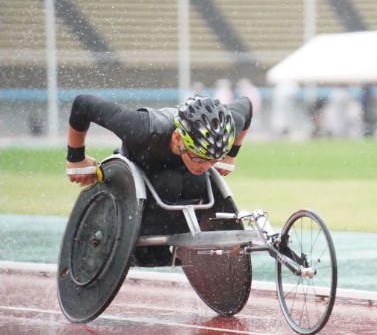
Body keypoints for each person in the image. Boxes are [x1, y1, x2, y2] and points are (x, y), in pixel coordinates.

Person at [65, 93, 252, 265]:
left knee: (201, 183)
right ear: (178, 138)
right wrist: (76, 158)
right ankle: (147, 247)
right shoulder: (139, 127)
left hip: (181, 172)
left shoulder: (227, 125)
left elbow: (247, 106)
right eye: (200, 158)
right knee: (169, 184)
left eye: (213, 160)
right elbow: (83, 104)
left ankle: (182, 237)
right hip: (141, 169)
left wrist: (230, 155)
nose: (205, 165)